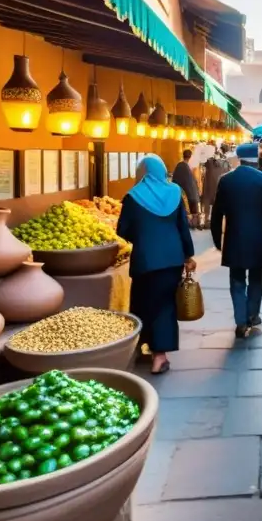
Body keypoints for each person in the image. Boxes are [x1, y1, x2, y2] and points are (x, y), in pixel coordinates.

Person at [117, 154, 196, 375]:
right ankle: (159, 356)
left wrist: (142, 235)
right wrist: (188, 256)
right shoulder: (174, 193)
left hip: (145, 260)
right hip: (172, 259)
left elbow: (122, 231)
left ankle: (144, 348)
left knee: (142, 302)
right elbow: (183, 227)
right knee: (165, 305)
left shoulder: (133, 197)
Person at [210, 142, 262, 338]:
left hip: (234, 237)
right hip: (258, 237)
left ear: (240, 158)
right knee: (257, 277)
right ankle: (252, 314)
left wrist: (217, 239)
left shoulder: (226, 180)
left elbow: (217, 213)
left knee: (236, 279)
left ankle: (240, 320)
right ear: (256, 159)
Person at [200, 145, 230, 229]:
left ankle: (207, 221)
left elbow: (202, 161)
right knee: (218, 206)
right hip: (219, 188)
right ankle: (217, 223)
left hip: (210, 187)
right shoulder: (226, 163)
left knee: (208, 204)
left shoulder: (210, 162)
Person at [172, 148, 201, 227]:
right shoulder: (186, 167)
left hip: (179, 193)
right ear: (190, 157)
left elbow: (174, 180)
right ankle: (193, 223)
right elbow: (190, 183)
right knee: (193, 205)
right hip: (189, 195)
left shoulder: (179, 166)